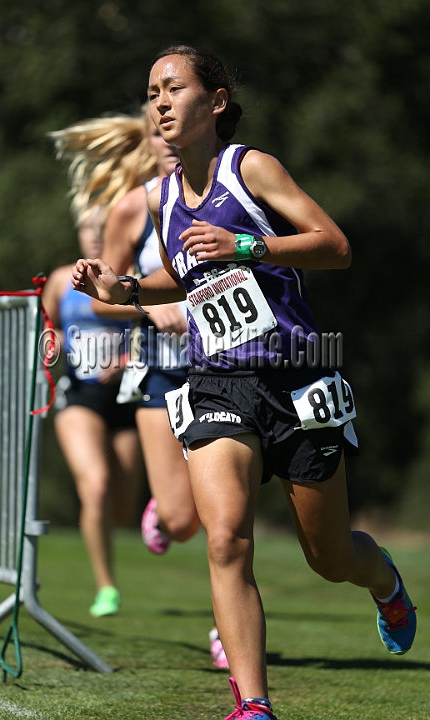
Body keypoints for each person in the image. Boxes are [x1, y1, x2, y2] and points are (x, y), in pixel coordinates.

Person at [71, 44, 417, 719]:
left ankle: (384, 583)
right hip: (217, 383)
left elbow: (335, 246)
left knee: (330, 554)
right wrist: (123, 286)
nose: (160, 103)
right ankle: (254, 705)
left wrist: (248, 246)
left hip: (295, 381)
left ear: (217, 101)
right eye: (151, 93)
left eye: (172, 88)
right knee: (225, 536)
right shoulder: (161, 198)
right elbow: (184, 274)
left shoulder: (250, 168)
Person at [52, 109, 228, 668]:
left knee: (225, 517)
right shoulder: (134, 207)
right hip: (163, 365)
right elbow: (102, 297)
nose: (171, 139)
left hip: (226, 365)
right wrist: (152, 312)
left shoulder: (230, 190)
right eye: (158, 131)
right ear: (149, 144)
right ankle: (162, 511)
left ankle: (227, 628)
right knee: (182, 520)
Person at [43, 207, 144, 618]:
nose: (97, 237)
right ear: (81, 234)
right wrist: (49, 341)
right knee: (96, 487)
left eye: (104, 230)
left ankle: (150, 518)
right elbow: (47, 324)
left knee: (123, 510)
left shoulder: (131, 276)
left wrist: (123, 359)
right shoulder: (59, 279)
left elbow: (152, 323)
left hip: (127, 396)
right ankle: (106, 587)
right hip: (80, 394)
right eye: (90, 230)